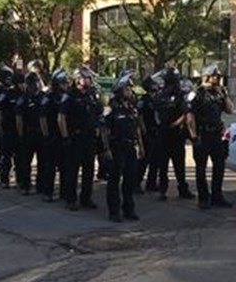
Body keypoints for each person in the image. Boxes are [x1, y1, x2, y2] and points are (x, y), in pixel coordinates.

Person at [186, 64, 234, 209]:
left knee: (219, 166)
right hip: (202, 134)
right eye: (215, 76)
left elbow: (230, 110)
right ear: (206, 76)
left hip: (216, 135)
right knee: (201, 168)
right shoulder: (196, 94)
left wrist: (224, 94)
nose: (218, 79)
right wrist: (194, 137)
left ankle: (217, 196)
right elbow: (190, 117)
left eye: (218, 77)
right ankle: (203, 198)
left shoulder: (219, 93)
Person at [102, 72, 144, 223]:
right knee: (114, 180)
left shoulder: (132, 108)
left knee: (130, 179)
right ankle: (114, 211)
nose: (130, 91)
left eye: (130, 89)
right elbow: (104, 130)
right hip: (116, 147)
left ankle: (129, 209)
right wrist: (106, 149)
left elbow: (137, 128)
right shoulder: (111, 108)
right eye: (127, 88)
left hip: (130, 147)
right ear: (120, 90)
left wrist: (140, 146)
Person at [58, 66, 101, 210]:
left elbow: (98, 114)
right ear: (77, 79)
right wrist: (65, 137)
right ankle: (71, 199)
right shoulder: (69, 95)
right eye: (86, 78)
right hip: (75, 137)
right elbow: (61, 118)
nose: (88, 80)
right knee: (73, 170)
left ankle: (86, 198)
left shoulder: (91, 95)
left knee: (89, 170)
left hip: (89, 138)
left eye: (89, 78)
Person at [154, 67, 195, 201]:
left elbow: (185, 114)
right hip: (168, 133)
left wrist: (173, 124)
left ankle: (175, 189)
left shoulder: (175, 95)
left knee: (174, 165)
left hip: (172, 133)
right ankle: (166, 190)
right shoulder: (164, 95)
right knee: (167, 165)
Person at [38, 68, 68, 202]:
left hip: (64, 136)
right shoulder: (48, 97)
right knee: (50, 166)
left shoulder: (67, 97)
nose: (66, 85)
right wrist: (45, 135)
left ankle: (63, 192)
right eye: (63, 83)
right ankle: (47, 192)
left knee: (65, 166)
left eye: (66, 82)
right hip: (52, 135)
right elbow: (43, 118)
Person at [15, 71, 43, 195]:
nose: (35, 85)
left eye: (36, 82)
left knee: (42, 161)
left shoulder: (43, 97)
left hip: (41, 133)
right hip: (28, 133)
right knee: (26, 162)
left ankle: (40, 185)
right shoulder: (23, 98)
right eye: (32, 83)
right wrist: (20, 134)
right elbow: (19, 118)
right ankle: (25, 185)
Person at [0, 66, 19, 189]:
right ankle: (4, 179)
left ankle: (19, 179)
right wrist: (0, 129)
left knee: (19, 156)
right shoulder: (5, 94)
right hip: (7, 129)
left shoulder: (22, 94)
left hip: (18, 130)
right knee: (6, 156)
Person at [136, 75, 161, 193]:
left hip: (156, 131)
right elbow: (139, 116)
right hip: (147, 132)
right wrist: (143, 129)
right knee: (144, 159)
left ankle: (151, 183)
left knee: (155, 159)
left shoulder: (156, 99)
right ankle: (136, 182)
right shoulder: (143, 100)